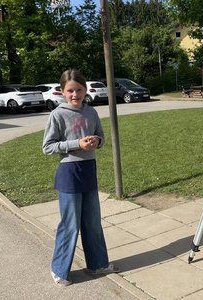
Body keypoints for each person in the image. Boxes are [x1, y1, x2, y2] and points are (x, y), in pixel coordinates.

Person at [42, 69, 120, 286]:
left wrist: (97, 141)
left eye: (79, 90)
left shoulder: (91, 112)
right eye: (70, 91)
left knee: (92, 222)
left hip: (89, 170)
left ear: (85, 90)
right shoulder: (57, 115)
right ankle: (59, 270)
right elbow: (48, 147)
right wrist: (77, 144)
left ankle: (98, 264)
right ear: (62, 92)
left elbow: (101, 136)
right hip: (69, 174)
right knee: (70, 224)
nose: (75, 94)